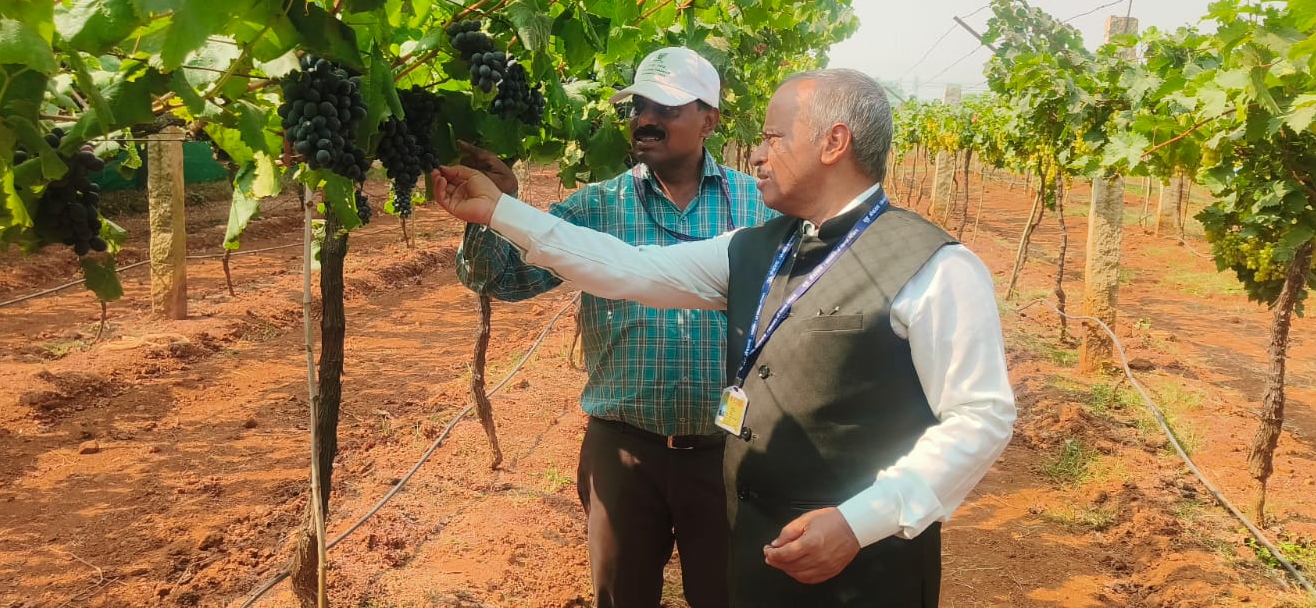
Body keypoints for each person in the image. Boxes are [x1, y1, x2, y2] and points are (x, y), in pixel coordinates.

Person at [432, 68, 1015, 607]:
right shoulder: (757, 247)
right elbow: (627, 266)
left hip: (867, 563)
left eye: (775, 138)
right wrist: (503, 213)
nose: (757, 155)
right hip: (763, 545)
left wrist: (860, 521)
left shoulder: (936, 267)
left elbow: (980, 416)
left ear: (834, 143)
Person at [454, 47, 775, 608]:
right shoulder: (596, 207)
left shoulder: (759, 207)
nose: (645, 120)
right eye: (638, 106)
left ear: (710, 120)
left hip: (727, 454)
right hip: (623, 454)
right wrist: (494, 212)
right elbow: (501, 281)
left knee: (730, 597)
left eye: (666, 108)